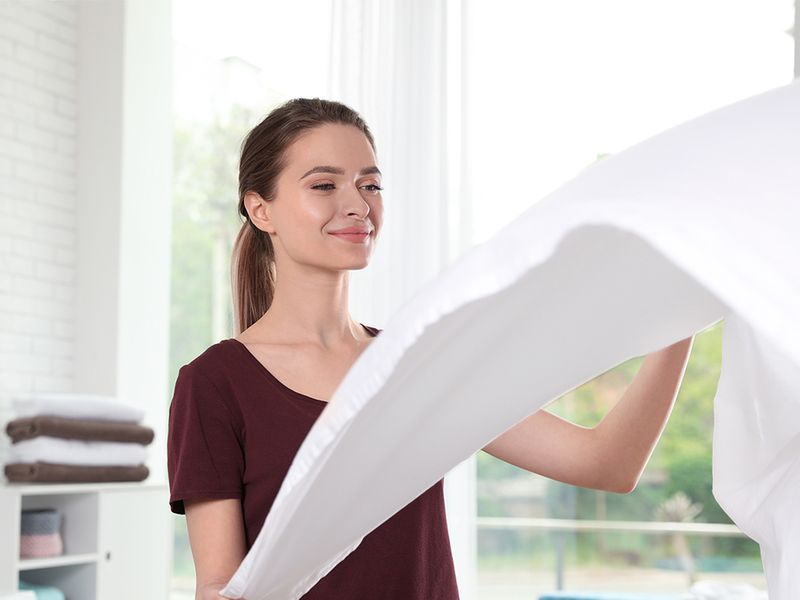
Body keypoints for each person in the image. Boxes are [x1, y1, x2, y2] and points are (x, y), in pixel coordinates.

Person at [167, 98, 694, 600]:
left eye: (370, 184)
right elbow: (219, 584)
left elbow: (607, 464)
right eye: (324, 185)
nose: (358, 205)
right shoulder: (214, 385)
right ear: (261, 210)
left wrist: (680, 317)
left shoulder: (416, 363)